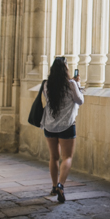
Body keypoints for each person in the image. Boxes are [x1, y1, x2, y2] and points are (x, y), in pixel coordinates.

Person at [41, 56, 84, 203]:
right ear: (65, 69)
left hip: (50, 126)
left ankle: (53, 187)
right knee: (67, 157)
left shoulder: (46, 84)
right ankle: (61, 185)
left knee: (54, 157)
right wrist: (77, 85)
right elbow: (80, 100)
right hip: (66, 126)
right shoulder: (71, 84)